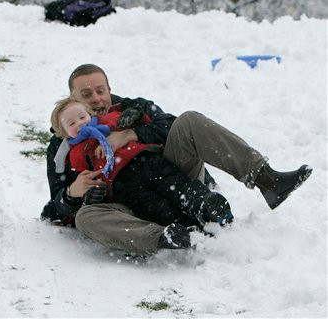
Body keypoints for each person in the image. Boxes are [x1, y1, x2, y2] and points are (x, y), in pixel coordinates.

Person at [42, 64, 312, 256]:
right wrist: (73, 193)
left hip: (171, 175)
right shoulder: (62, 145)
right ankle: (165, 238)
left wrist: (132, 133)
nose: (97, 99)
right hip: (129, 204)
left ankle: (267, 180)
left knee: (189, 120)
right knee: (86, 218)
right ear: (72, 99)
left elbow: (170, 125)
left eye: (100, 90)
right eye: (86, 95)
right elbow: (54, 209)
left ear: (110, 89)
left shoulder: (133, 108)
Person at [49, 97, 233, 242]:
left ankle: (206, 205)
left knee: (178, 185)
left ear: (90, 115)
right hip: (123, 184)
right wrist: (90, 193)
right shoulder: (76, 154)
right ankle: (186, 229)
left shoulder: (108, 121)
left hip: (147, 161)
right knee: (153, 207)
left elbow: (135, 122)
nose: (80, 123)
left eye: (82, 117)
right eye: (72, 124)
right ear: (64, 134)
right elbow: (86, 176)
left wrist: (135, 114)